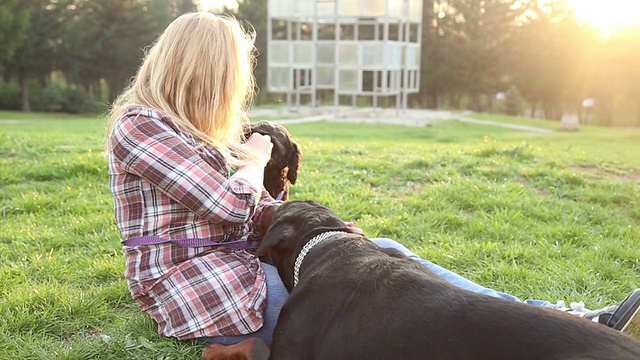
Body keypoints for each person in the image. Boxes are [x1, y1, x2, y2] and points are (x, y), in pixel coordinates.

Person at [106, 12, 640, 348]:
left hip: (237, 259)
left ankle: (560, 321)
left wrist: (276, 177)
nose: (235, 94)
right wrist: (252, 163)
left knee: (382, 255)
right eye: (231, 80)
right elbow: (225, 207)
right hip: (196, 281)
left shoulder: (195, 132)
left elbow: (258, 215)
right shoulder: (140, 125)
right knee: (370, 298)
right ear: (202, 73)